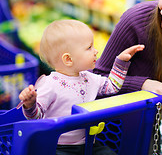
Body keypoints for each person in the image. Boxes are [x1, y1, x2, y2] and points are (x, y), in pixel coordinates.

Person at [18, 19, 144, 155]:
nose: (96, 51)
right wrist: (30, 104)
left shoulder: (89, 77)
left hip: (89, 142)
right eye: (89, 48)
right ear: (68, 59)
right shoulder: (49, 84)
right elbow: (36, 117)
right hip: (57, 146)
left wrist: (121, 62)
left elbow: (112, 86)